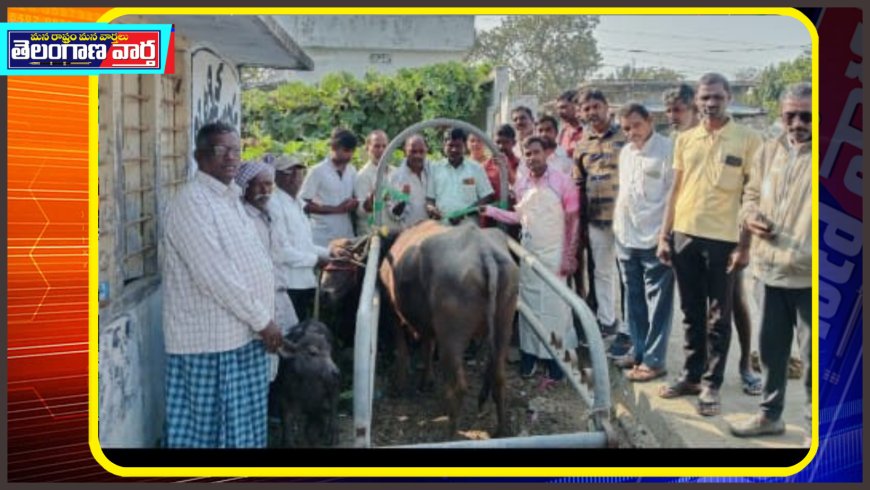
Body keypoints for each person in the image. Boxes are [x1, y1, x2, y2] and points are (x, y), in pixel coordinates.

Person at [161, 122, 283, 448]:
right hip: (212, 345)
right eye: (220, 150)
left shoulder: (229, 198)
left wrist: (261, 320)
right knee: (210, 439)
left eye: (236, 150)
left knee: (242, 436)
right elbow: (215, 276)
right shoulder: (192, 202)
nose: (231, 158)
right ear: (199, 156)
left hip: (242, 337)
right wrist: (263, 321)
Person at [656, 73, 764, 417]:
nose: (710, 103)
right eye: (704, 98)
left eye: (716, 97)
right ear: (697, 100)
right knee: (690, 312)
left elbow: (753, 194)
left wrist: (744, 246)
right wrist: (664, 235)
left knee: (720, 316)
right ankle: (690, 375)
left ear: (728, 97)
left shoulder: (749, 139)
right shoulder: (685, 139)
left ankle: (711, 384)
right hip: (685, 234)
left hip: (724, 240)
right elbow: (675, 190)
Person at [729, 82, 813, 437]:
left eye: (806, 116)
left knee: (817, 361)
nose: (797, 123)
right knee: (771, 352)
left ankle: (819, 426)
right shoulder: (768, 151)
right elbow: (749, 195)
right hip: (769, 270)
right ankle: (769, 415)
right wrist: (749, 216)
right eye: (790, 115)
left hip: (813, 276)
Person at [481, 136, 580, 387]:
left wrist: (569, 255)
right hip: (530, 252)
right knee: (528, 305)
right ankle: (530, 355)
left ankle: (555, 360)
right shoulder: (523, 182)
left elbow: (573, 220)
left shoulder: (563, 181)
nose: (532, 157)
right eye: (527, 153)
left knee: (555, 308)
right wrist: (491, 211)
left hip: (555, 253)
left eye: (536, 152)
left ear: (546, 153)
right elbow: (520, 217)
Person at [611, 103, 675, 382]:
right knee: (633, 298)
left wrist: (665, 236)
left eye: (636, 125)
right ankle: (637, 351)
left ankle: (655, 359)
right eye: (626, 128)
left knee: (658, 302)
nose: (631, 132)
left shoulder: (667, 150)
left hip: (654, 237)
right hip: (626, 235)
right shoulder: (625, 152)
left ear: (650, 121)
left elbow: (674, 197)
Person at [572, 87, 628, 353]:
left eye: (596, 106)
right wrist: (581, 225)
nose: (592, 112)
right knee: (602, 272)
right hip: (597, 220)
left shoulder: (626, 136)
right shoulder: (582, 145)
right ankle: (608, 321)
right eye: (587, 108)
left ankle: (630, 328)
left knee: (629, 276)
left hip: (628, 219)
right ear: (582, 113)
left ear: (607, 107)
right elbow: (578, 185)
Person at [270, 155, 336, 322]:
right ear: (276, 177)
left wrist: (332, 253)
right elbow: (281, 252)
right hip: (287, 284)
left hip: (305, 282)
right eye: (288, 173)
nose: (295, 178)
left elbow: (304, 244)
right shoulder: (273, 204)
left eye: (298, 173)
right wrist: (315, 260)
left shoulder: (298, 204)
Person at [299, 128, 359, 247]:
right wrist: (336, 209)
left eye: (352, 151)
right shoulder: (317, 171)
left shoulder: (352, 171)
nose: (350, 155)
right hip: (322, 236)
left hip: (346, 234)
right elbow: (302, 203)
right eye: (346, 150)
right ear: (334, 147)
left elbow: (355, 198)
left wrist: (354, 203)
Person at [426, 128, 495, 225]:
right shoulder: (435, 168)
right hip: (441, 224)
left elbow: (487, 196)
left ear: (464, 146)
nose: (454, 149)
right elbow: (430, 198)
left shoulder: (476, 168)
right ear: (444, 146)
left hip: (469, 225)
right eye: (450, 145)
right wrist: (431, 208)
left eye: (458, 146)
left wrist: (465, 213)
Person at [387, 135, 431, 229]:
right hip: (410, 236)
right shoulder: (395, 177)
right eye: (413, 151)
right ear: (405, 151)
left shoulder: (433, 170)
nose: (418, 155)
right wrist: (403, 199)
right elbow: (394, 214)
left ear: (426, 150)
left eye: (421, 151)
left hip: (434, 231)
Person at [354, 130, 390, 236]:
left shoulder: (395, 172)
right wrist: (372, 200)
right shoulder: (363, 176)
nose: (381, 150)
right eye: (376, 146)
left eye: (384, 146)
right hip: (371, 236)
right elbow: (361, 212)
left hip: (392, 234)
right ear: (367, 148)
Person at [556, 90, 583, 158]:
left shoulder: (590, 130)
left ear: (576, 106)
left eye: (563, 107)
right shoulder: (560, 132)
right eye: (558, 109)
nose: (560, 112)